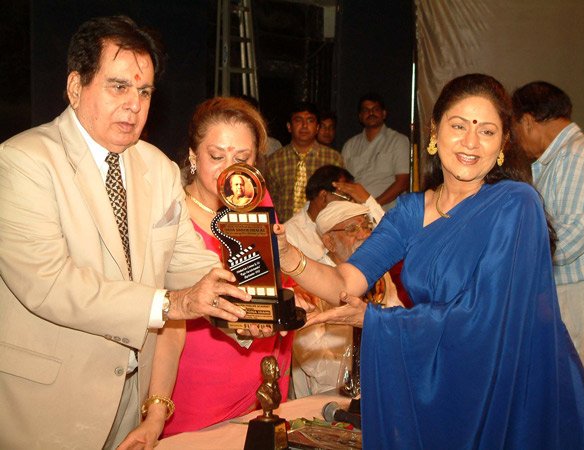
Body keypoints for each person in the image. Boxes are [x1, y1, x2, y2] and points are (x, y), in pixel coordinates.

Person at [275, 74, 584, 448]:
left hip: (513, 394)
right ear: (435, 131)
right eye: (458, 126)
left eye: (488, 131)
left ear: (503, 144)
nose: (471, 143)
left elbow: (487, 317)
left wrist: (376, 320)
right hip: (442, 376)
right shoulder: (410, 211)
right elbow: (345, 283)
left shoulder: (516, 204)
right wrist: (289, 256)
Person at [0, 16, 252, 450]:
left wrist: (244, 308)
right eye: (119, 86)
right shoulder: (23, 160)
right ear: (75, 87)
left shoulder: (157, 167)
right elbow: (48, 283)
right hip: (48, 407)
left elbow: (186, 261)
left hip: (131, 404)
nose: (134, 105)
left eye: (144, 91)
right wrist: (173, 303)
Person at [162, 97, 295, 436]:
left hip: (264, 367)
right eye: (216, 156)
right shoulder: (169, 209)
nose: (229, 170)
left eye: (242, 159)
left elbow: (272, 277)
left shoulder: (257, 200)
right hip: (197, 378)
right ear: (193, 156)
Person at [512, 81, 584, 407]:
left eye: (515, 128)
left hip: (582, 295)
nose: (517, 139)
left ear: (528, 121)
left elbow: (573, 235)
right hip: (565, 292)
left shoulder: (577, 157)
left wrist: (517, 262)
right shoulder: (558, 160)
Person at [292, 201, 401, 398]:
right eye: (352, 229)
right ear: (329, 242)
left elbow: (397, 322)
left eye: (366, 226)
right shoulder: (312, 284)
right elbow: (313, 358)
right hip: (325, 395)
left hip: (378, 384)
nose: (364, 235)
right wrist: (355, 379)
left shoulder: (380, 276)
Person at [284, 164, 384, 265]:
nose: (351, 203)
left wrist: (368, 201)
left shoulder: (355, 221)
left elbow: (388, 240)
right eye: (347, 198)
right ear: (323, 197)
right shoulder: (290, 234)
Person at [266, 102, 343, 223]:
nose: (304, 126)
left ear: (317, 127)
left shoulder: (333, 159)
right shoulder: (274, 161)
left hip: (321, 230)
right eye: (298, 120)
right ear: (289, 127)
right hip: (285, 229)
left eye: (310, 121)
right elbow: (269, 201)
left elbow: (339, 198)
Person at [342, 93, 410, 210]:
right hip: (355, 213)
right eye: (366, 110)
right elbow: (343, 182)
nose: (371, 113)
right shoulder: (350, 145)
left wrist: (372, 206)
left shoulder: (398, 141)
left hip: (387, 212)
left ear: (384, 114)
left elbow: (402, 183)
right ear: (360, 116)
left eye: (375, 109)